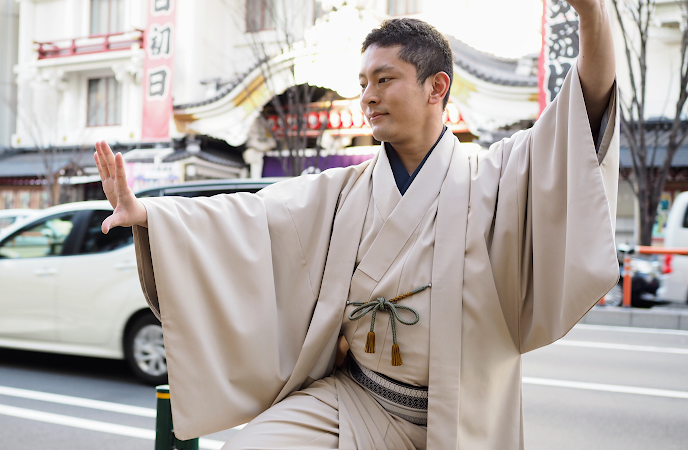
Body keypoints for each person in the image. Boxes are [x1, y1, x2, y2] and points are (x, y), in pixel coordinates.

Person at [93, 0, 618, 448]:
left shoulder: (498, 174)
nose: (367, 96)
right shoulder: (346, 189)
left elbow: (580, 117)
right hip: (360, 396)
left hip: (462, 411)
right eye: (363, 82)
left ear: (437, 87)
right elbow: (253, 217)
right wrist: (149, 215)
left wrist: (592, 12)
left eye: (385, 80)